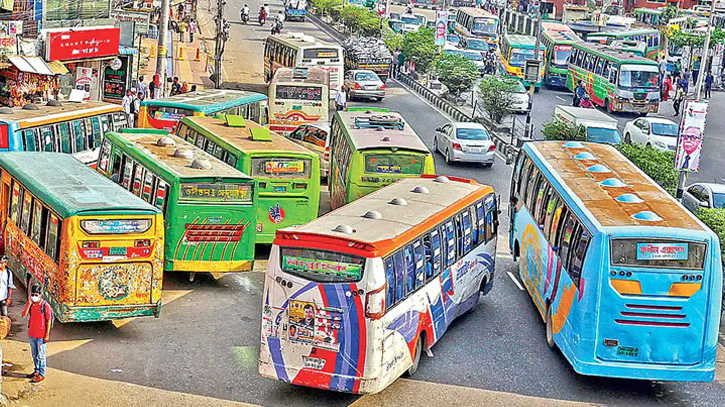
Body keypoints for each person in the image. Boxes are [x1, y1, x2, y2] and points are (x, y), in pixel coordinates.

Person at [22, 285, 52, 383]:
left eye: (36, 295)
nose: (34, 297)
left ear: (40, 295)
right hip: (32, 333)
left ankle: (41, 374)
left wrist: (47, 334)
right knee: (34, 354)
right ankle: (36, 371)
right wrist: (29, 304)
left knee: (41, 355)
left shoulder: (45, 306)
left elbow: (48, 321)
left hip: (41, 335)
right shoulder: (31, 304)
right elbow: (24, 314)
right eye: (33, 295)